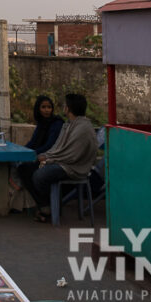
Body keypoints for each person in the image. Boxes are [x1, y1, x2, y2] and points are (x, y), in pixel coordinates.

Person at [23, 93, 98, 223]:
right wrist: (46, 156)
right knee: (25, 168)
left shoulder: (82, 128)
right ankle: (46, 206)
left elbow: (72, 155)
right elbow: (58, 148)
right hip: (63, 162)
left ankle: (49, 207)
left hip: (73, 168)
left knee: (39, 175)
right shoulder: (69, 124)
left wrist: (48, 159)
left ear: (68, 108)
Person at [11, 95, 65, 212]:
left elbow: (50, 145)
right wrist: (21, 152)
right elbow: (32, 142)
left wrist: (32, 155)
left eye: (49, 107)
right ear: (38, 109)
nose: (47, 110)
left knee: (25, 169)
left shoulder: (56, 123)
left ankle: (44, 204)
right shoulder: (41, 124)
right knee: (18, 165)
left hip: (52, 159)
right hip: (41, 157)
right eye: (43, 107)